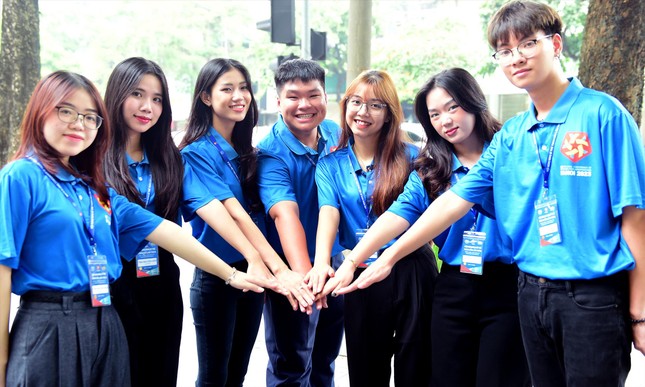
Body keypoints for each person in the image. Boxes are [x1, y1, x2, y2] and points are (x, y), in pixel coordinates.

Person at [338, 2, 645, 386]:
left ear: (555, 44)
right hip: (528, 292)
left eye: (527, 44)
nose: (516, 58)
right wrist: (384, 257)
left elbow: (634, 215)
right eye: (504, 51)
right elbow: (449, 203)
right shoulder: (513, 135)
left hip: (588, 295)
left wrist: (639, 310)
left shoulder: (603, 114)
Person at [0, 71, 270, 386]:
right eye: (66, 111)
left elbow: (167, 233)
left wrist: (232, 274)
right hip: (50, 323)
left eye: (90, 117)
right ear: (40, 111)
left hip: (104, 317)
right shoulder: (20, 177)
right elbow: (2, 270)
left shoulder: (93, 188)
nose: (79, 124)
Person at [325, 68, 530, 386]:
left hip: (508, 284)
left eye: (452, 107)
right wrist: (353, 261)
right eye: (434, 114)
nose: (446, 120)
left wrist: (386, 259)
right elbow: (399, 214)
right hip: (454, 286)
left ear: (473, 102)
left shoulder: (509, 150)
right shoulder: (432, 168)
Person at [179, 58, 308, 387]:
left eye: (244, 88)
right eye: (227, 89)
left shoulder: (248, 151)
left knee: (237, 373)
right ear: (206, 97)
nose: (239, 96)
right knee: (214, 376)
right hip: (218, 277)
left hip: (254, 278)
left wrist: (267, 268)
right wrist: (277, 269)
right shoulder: (195, 153)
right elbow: (234, 211)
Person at [312, 69, 436, 386]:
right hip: (360, 272)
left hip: (409, 270)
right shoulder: (330, 164)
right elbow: (329, 212)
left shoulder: (412, 157)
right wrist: (322, 262)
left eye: (375, 105)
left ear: (389, 114)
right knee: (366, 368)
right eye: (356, 102)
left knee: (416, 365)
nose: (363, 112)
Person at [256, 58, 344, 386]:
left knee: (325, 360)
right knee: (291, 366)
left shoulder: (336, 133)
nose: (304, 105)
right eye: (293, 97)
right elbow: (284, 213)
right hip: (293, 272)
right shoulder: (270, 152)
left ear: (326, 98)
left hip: (332, 264)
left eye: (313, 95)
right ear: (278, 102)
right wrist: (308, 282)